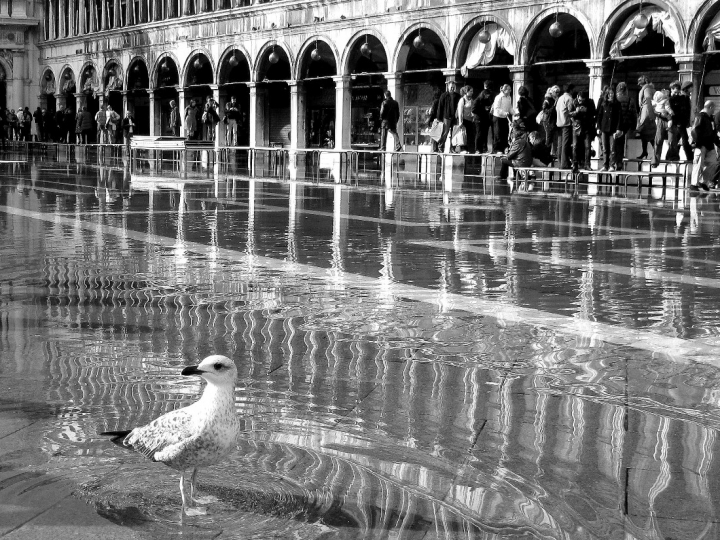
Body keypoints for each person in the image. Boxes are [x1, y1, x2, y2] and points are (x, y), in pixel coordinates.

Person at [689, 101, 720, 192]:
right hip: (701, 145)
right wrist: (698, 144)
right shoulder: (700, 116)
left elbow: (713, 133)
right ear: (710, 107)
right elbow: (694, 130)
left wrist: (718, 143)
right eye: (713, 108)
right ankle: (694, 183)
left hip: (709, 145)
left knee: (713, 163)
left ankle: (703, 180)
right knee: (698, 164)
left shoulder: (710, 118)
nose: (714, 110)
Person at [596, 87, 622, 171]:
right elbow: (599, 115)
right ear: (606, 95)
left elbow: (619, 117)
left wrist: (618, 129)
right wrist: (599, 126)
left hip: (613, 129)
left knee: (612, 148)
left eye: (612, 93)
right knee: (605, 148)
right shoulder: (604, 104)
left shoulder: (617, 104)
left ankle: (612, 165)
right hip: (604, 128)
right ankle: (605, 165)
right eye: (609, 94)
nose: (611, 95)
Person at [668, 80, 693, 161]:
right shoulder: (680, 98)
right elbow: (680, 110)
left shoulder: (684, 97)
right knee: (684, 138)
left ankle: (669, 155)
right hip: (679, 121)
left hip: (681, 121)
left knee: (677, 138)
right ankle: (689, 157)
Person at [615, 82, 637, 170]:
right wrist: (633, 126)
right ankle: (619, 162)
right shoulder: (630, 100)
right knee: (621, 144)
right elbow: (634, 114)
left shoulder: (615, 99)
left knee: (613, 144)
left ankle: (614, 162)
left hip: (615, 124)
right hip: (626, 124)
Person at [436, 81, 461, 153]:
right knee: (445, 132)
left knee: (454, 133)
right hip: (446, 116)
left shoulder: (457, 96)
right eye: (451, 87)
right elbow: (440, 107)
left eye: (453, 87)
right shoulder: (444, 95)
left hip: (455, 117)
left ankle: (452, 148)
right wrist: (439, 118)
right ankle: (440, 147)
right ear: (448, 87)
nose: (452, 89)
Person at [569, 90, 591, 172]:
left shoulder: (589, 102)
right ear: (577, 97)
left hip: (586, 126)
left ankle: (587, 164)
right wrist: (576, 112)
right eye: (580, 100)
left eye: (582, 100)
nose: (581, 102)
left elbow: (594, 112)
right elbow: (569, 114)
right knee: (575, 146)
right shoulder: (573, 102)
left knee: (588, 146)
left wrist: (586, 110)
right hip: (576, 126)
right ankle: (575, 164)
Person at [651, 89, 673, 167]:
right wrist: (668, 114)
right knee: (658, 140)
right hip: (662, 120)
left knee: (670, 140)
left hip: (666, 119)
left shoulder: (655, 102)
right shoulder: (665, 101)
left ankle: (669, 157)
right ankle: (655, 160)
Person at [555, 84, 575, 169]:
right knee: (565, 144)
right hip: (566, 123)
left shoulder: (560, 98)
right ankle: (564, 164)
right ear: (571, 90)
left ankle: (560, 163)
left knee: (560, 144)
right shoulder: (569, 99)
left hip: (559, 123)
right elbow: (570, 111)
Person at [471, 80, 494, 153]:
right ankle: (478, 149)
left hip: (485, 118)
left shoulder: (489, 96)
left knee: (485, 134)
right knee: (479, 133)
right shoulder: (479, 99)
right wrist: (484, 109)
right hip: (479, 118)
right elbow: (474, 109)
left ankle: (484, 148)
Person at [491, 84, 513, 153]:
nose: (510, 91)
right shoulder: (499, 97)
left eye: (510, 89)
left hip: (504, 118)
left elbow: (510, 107)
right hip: (497, 117)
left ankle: (504, 148)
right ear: (505, 90)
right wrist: (504, 113)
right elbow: (496, 108)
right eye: (509, 89)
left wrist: (514, 113)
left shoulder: (509, 97)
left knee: (505, 133)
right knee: (498, 133)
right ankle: (497, 149)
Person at [636, 85, 656, 160]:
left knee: (648, 133)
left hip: (647, 113)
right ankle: (646, 152)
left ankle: (652, 152)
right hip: (648, 113)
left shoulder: (647, 89)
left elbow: (648, 100)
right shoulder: (650, 89)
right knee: (645, 135)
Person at [540, 86, 560, 154]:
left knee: (553, 138)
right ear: (552, 92)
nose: (557, 94)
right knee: (549, 138)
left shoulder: (555, 99)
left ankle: (552, 152)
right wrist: (554, 105)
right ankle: (546, 153)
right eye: (556, 92)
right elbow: (546, 111)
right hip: (548, 121)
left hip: (554, 121)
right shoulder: (547, 100)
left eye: (558, 92)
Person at [456, 85, 475, 153]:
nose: (472, 93)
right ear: (466, 92)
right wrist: (460, 122)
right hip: (464, 120)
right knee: (463, 134)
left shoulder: (471, 100)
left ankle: (469, 148)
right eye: (470, 91)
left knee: (469, 135)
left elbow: (472, 109)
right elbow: (460, 111)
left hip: (470, 120)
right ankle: (463, 149)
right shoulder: (462, 100)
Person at [427, 88, 441, 152]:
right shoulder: (441, 101)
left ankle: (434, 149)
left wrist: (429, 120)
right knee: (439, 135)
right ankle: (438, 148)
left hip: (435, 120)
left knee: (435, 135)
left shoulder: (435, 102)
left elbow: (432, 112)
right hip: (441, 119)